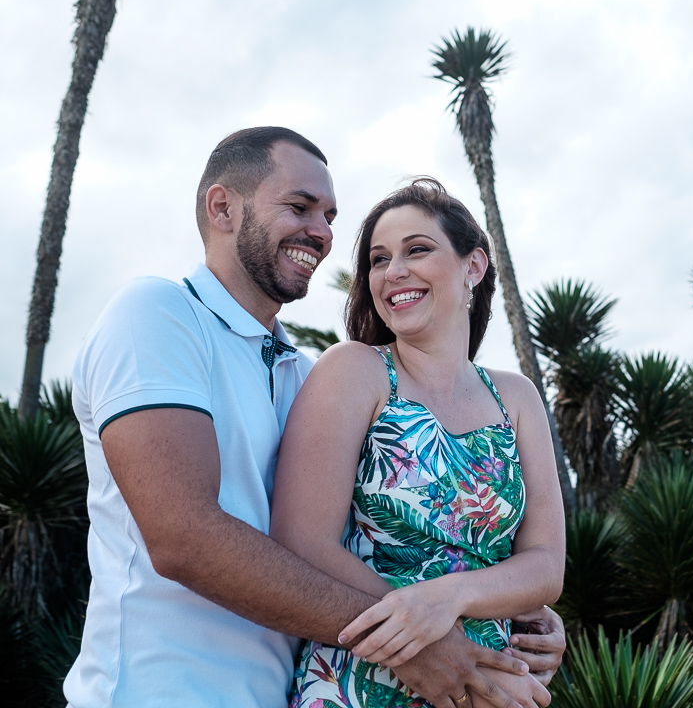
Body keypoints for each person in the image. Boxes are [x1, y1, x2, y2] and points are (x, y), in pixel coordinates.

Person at [66, 127, 564, 708]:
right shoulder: (158, 315)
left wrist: (522, 613)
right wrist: (417, 642)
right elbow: (184, 538)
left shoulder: (301, 375)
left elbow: (394, 534)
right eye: (299, 207)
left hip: (279, 691)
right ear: (222, 207)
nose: (323, 233)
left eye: (329, 216)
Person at [271, 179, 565, 707]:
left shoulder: (516, 398)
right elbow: (300, 543)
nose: (394, 272)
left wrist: (450, 597)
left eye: (418, 250)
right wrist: (434, 639)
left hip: (491, 686)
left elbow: (545, 565)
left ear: (473, 267)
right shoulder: (355, 370)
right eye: (379, 259)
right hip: (363, 679)